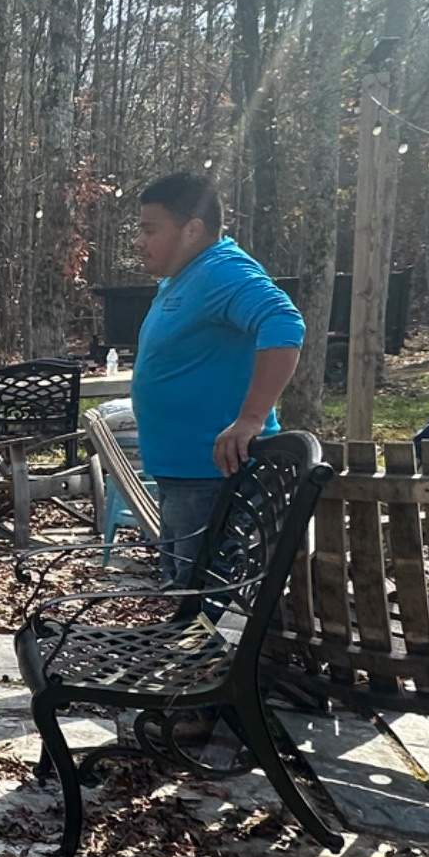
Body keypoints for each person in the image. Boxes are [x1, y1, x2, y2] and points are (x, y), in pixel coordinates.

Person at [128, 171, 305, 588]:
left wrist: (251, 418)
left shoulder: (221, 271)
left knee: (207, 606)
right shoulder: (182, 278)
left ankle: (208, 655)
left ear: (192, 230)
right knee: (183, 595)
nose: (139, 242)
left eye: (149, 230)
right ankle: (192, 650)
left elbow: (283, 323)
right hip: (183, 476)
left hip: (214, 479)